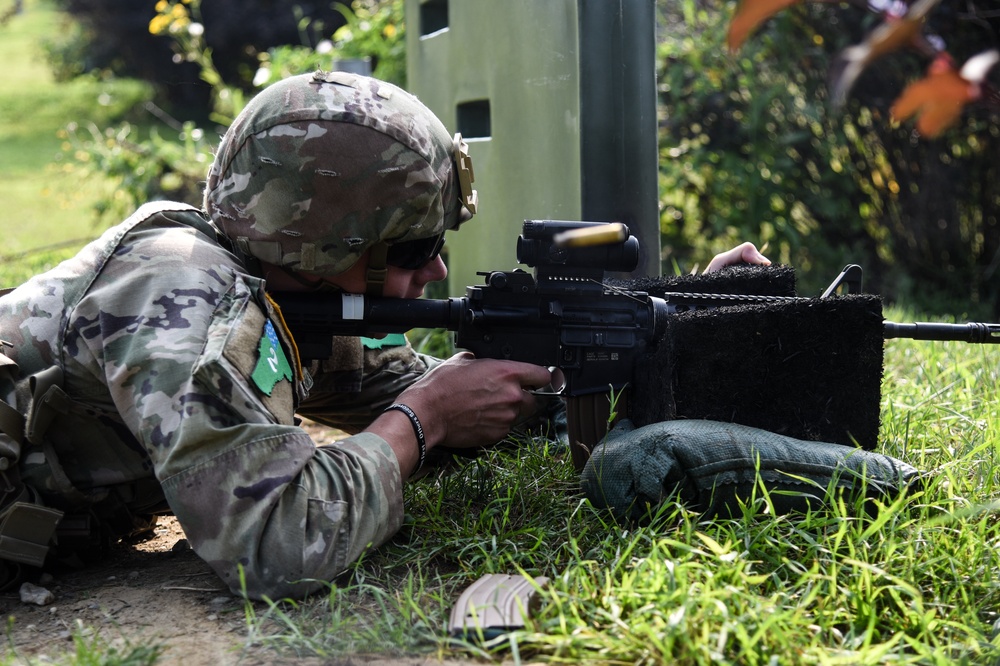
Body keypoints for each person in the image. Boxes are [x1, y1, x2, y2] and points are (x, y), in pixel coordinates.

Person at [0, 71, 768, 599]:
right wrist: (423, 422)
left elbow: (431, 394)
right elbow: (277, 545)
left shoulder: (288, 292)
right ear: (324, 244)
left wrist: (649, 326)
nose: (434, 272)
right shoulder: (183, 295)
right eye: (409, 252)